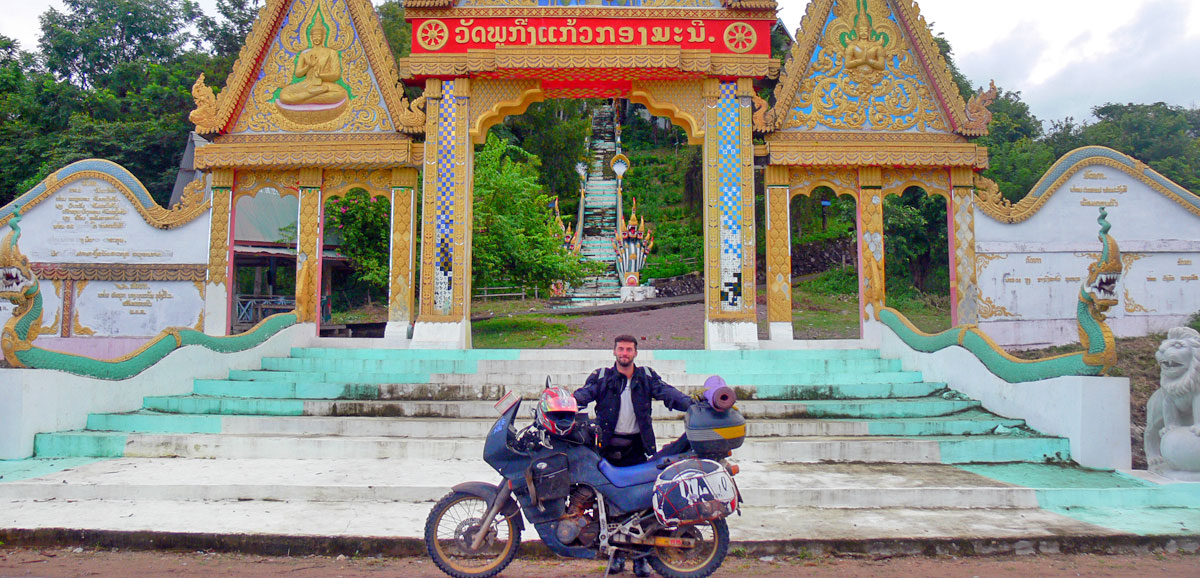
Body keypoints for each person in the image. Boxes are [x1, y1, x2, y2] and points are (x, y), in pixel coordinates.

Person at [572, 334, 692, 576]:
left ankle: (641, 559)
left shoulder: (646, 377)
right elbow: (583, 395)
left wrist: (692, 404)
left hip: (637, 448)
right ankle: (617, 557)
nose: (624, 353)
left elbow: (668, 393)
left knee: (642, 507)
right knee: (611, 507)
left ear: (635, 353)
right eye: (621, 349)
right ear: (614, 352)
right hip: (607, 449)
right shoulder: (602, 378)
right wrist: (565, 402)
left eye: (628, 349)